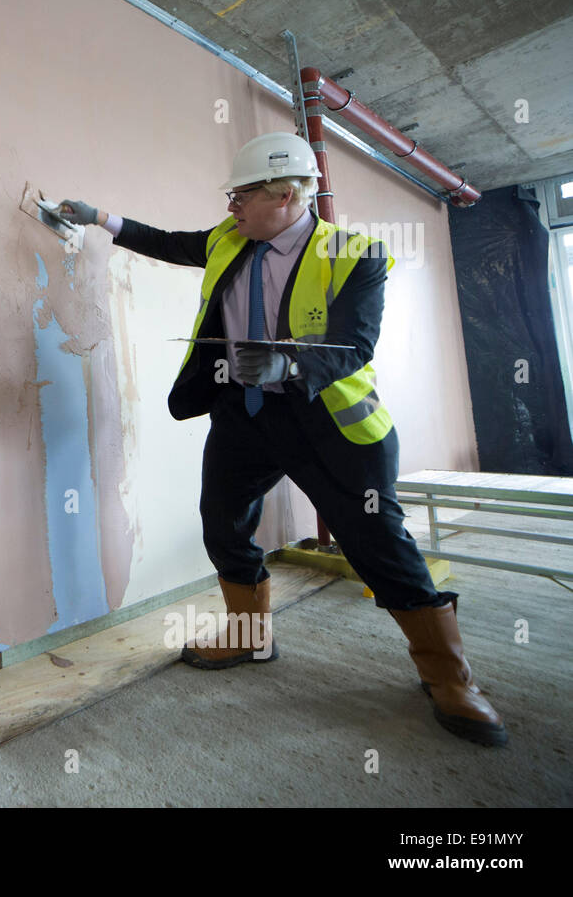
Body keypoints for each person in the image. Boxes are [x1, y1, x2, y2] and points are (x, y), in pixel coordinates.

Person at [59, 131, 507, 747]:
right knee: (221, 520)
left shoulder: (355, 252)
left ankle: (449, 677)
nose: (231, 206)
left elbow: (356, 345)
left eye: (243, 194)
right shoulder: (228, 239)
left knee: (376, 540)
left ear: (290, 193)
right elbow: (168, 243)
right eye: (232, 194)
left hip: (331, 422)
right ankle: (250, 637)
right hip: (245, 416)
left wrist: (289, 364)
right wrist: (98, 218)